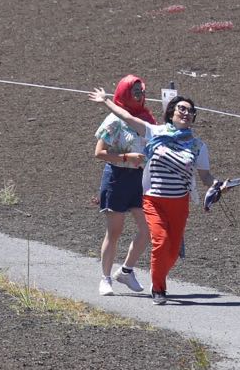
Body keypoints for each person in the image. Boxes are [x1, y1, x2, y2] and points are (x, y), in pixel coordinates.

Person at [90, 87, 214, 305]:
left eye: (190, 111)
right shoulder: (155, 132)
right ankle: (157, 288)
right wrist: (106, 101)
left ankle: (130, 272)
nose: (185, 113)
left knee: (173, 249)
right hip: (152, 197)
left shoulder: (197, 145)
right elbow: (126, 117)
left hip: (179, 202)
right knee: (158, 240)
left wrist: (219, 186)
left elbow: (205, 176)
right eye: (181, 109)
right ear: (171, 113)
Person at [92, 75, 152, 296]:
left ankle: (126, 271)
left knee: (147, 230)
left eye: (142, 91)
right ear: (125, 93)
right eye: (135, 92)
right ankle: (105, 278)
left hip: (139, 180)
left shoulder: (146, 118)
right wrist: (127, 157)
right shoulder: (114, 120)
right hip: (117, 178)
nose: (140, 95)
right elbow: (99, 153)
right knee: (114, 232)